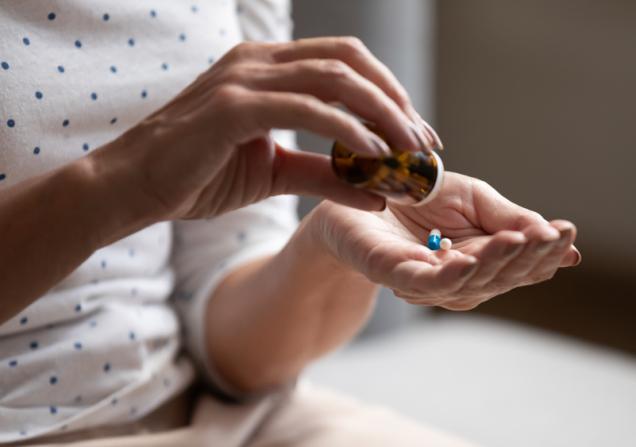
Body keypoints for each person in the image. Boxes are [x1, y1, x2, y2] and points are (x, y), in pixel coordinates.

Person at [0, 1, 580, 445]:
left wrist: (330, 245)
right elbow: (131, 179)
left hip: (212, 419)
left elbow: (238, 357)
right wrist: (117, 184)